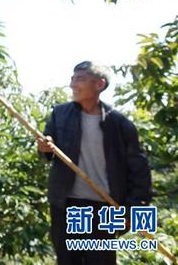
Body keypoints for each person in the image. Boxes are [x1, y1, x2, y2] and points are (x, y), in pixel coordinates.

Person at [37, 61, 152, 265]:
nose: (73, 85)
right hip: (66, 204)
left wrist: (133, 208)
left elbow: (139, 170)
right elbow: (48, 145)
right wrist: (46, 146)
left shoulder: (120, 124)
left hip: (105, 207)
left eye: (79, 79)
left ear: (99, 84)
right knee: (67, 260)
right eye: (72, 79)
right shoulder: (60, 114)